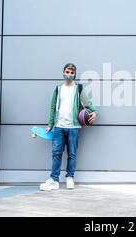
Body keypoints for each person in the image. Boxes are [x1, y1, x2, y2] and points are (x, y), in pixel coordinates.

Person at [40, 63, 97, 191]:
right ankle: (54, 180)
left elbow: (89, 105)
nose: (69, 75)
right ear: (63, 72)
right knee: (56, 154)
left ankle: (70, 177)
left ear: (75, 74)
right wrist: (50, 124)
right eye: (67, 71)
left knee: (72, 154)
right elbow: (52, 107)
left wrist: (95, 112)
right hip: (59, 127)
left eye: (72, 73)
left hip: (74, 128)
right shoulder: (58, 88)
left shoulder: (79, 88)